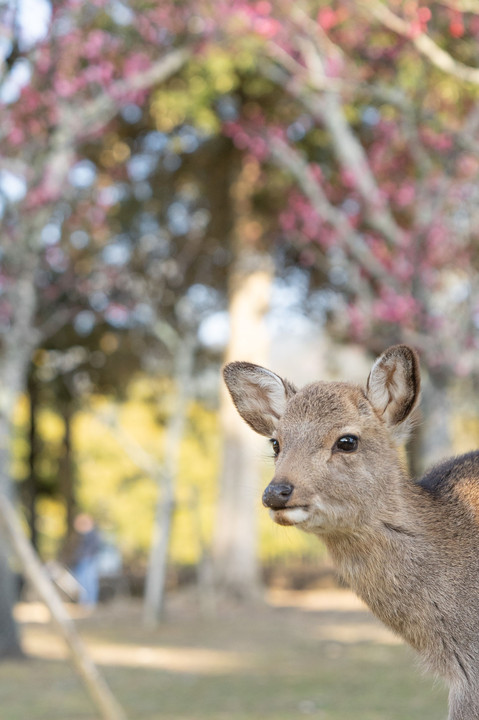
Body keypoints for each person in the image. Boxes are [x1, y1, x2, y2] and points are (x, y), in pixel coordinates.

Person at [64, 513, 102, 607]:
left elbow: (93, 549)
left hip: (88, 561)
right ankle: (84, 602)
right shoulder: (82, 535)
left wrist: (86, 557)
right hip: (81, 561)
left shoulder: (92, 535)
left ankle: (89, 602)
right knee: (82, 582)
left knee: (88, 581)